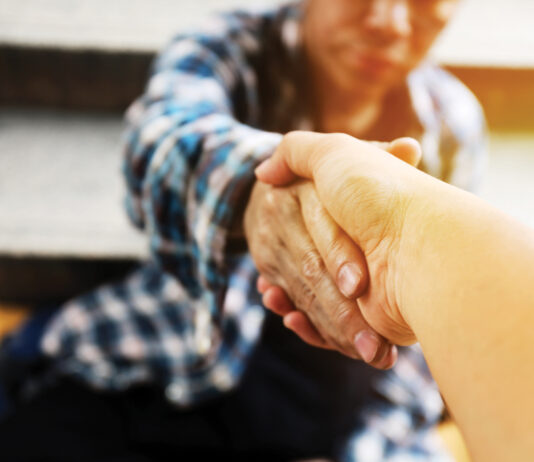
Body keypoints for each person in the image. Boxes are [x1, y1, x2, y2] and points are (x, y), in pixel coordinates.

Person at [0, 1, 486, 460]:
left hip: (324, 403)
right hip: (172, 359)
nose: (389, 21)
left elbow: (416, 346)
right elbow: (160, 137)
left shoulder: (449, 122)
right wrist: (255, 190)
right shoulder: (231, 48)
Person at [255, 130, 534, 461]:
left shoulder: (452, 121)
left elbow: (415, 377)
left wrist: (396, 231)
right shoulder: (219, 82)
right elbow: (185, 133)